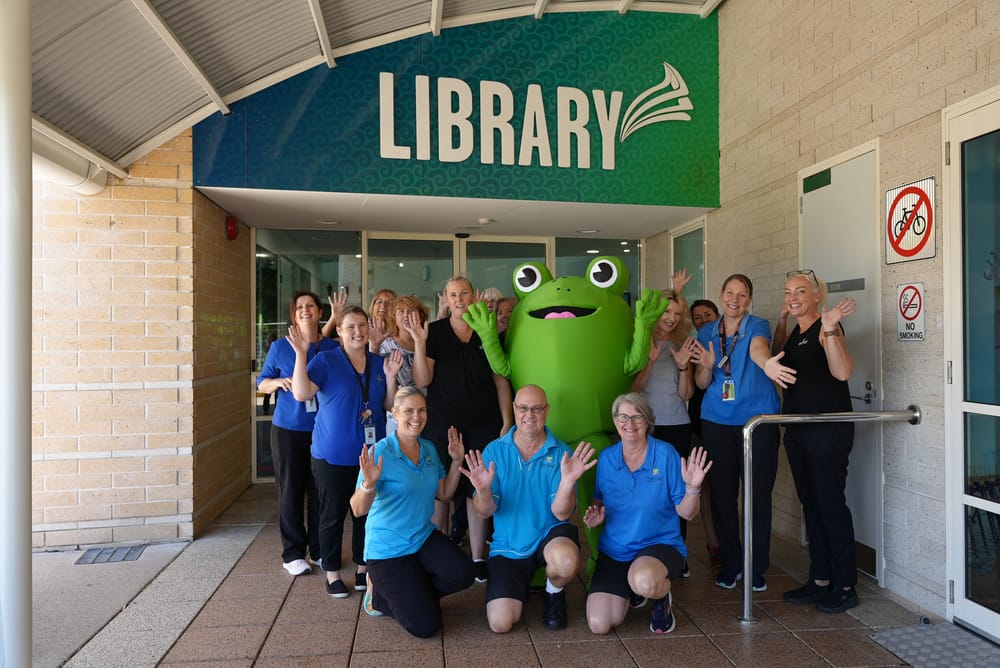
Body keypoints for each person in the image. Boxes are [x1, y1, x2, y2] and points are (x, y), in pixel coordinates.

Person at [461, 384, 596, 633]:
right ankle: (519, 586)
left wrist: (567, 482)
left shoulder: (562, 453)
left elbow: (562, 513)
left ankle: (554, 593)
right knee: (500, 623)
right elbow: (484, 511)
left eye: (536, 408)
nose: (529, 414)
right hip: (508, 544)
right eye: (523, 408)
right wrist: (482, 490)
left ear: (547, 411)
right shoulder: (494, 450)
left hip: (550, 534)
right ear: (514, 409)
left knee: (565, 562)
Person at [289, 305, 401, 598]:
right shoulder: (326, 360)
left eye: (362, 326)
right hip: (332, 455)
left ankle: (363, 567)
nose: (357, 332)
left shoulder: (379, 363)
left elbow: (388, 405)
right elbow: (302, 393)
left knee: (366, 514)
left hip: (370, 455)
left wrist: (390, 377)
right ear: (339, 331)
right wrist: (301, 355)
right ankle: (332, 573)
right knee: (332, 514)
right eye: (350, 326)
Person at [687, 273, 789, 592]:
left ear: (749, 299)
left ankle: (756, 566)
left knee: (757, 495)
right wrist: (705, 364)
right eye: (730, 293)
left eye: (742, 295)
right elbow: (703, 383)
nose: (735, 299)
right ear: (721, 295)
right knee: (723, 496)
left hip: (758, 421)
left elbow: (759, 349)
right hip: (717, 420)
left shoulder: (757, 326)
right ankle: (732, 564)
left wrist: (767, 364)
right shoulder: (706, 331)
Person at [349, 387, 475, 637]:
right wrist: (369, 484)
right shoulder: (380, 452)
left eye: (421, 410)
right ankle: (379, 598)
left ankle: (414, 594)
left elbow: (444, 493)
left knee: (464, 573)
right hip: (387, 550)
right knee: (426, 627)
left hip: (422, 538)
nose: (416, 417)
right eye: (408, 411)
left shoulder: (428, 448)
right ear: (394, 414)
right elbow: (357, 508)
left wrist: (457, 461)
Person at [770, 269, 860, 614]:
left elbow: (842, 372)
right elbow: (777, 354)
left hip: (827, 431)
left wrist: (830, 327)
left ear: (817, 295)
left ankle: (845, 584)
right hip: (799, 431)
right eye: (788, 291)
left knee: (830, 504)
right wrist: (781, 319)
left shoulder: (826, 328)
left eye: (801, 291)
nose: (793, 297)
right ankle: (820, 578)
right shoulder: (797, 330)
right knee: (811, 503)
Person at [584, 393, 712, 635]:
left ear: (648, 421)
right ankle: (632, 588)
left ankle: (661, 597)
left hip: (659, 545)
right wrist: (597, 515)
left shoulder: (666, 455)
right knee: (599, 624)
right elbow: (598, 501)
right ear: (615, 420)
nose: (629, 424)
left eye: (637, 417)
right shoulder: (608, 458)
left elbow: (687, 513)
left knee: (644, 581)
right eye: (623, 416)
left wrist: (693, 489)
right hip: (616, 550)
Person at [411, 276, 513, 578]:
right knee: (440, 488)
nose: (459, 299)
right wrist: (419, 343)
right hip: (443, 423)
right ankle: (437, 551)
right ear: (446, 298)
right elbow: (422, 381)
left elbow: (501, 380)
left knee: (477, 488)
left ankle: (479, 557)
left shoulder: (487, 330)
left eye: (464, 293)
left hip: (485, 423)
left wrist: (507, 421)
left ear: (474, 296)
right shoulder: (436, 332)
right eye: (453, 294)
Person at [257, 291, 339, 575]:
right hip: (288, 431)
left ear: (319, 313)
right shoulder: (280, 347)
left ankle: (318, 549)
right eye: (300, 307)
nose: (305, 310)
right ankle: (293, 552)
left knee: (320, 492)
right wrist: (278, 381)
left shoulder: (331, 347)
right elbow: (261, 384)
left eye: (311, 306)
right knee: (291, 491)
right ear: (295, 314)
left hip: (323, 431)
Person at [630, 288, 695, 577]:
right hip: (647, 429)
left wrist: (683, 367)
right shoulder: (641, 342)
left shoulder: (683, 344)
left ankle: (676, 554)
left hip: (678, 426)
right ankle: (643, 552)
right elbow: (632, 390)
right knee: (646, 492)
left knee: (676, 493)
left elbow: (687, 393)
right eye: (667, 312)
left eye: (677, 314)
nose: (671, 318)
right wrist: (651, 360)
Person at [688, 298, 722, 566]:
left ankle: (731, 540)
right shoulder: (692, 348)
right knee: (706, 487)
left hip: (725, 422)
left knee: (727, 486)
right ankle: (713, 541)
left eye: (708, 315)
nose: (703, 321)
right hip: (698, 422)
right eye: (697, 317)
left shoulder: (732, 342)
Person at [379, 294, 430, 433]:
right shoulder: (387, 345)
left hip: (425, 412)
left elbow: (423, 382)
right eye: (401, 311)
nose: (406, 315)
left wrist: (419, 342)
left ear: (420, 315)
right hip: (399, 416)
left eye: (411, 310)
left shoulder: (427, 341)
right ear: (393, 317)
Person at [367, 288, 397, 353]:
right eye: (379, 302)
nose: (383, 305)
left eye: (389, 303)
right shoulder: (364, 329)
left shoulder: (401, 331)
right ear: (373, 306)